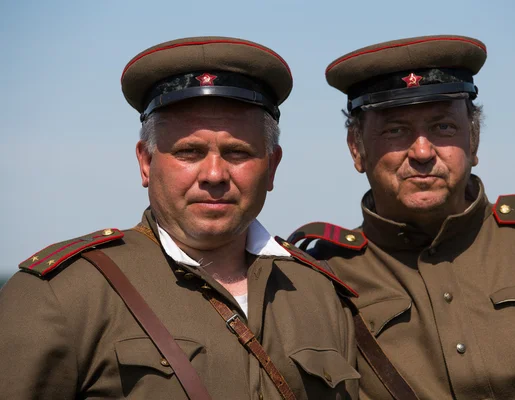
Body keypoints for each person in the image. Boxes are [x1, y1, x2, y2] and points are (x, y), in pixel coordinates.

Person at [0, 36, 360, 400]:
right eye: (189, 152)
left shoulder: (319, 293)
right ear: (145, 162)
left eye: (238, 153)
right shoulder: (64, 295)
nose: (215, 175)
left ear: (272, 167)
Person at [288, 35, 515, 399]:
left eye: (443, 128)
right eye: (396, 131)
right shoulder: (322, 280)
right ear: (357, 149)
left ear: (474, 139)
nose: (422, 152)